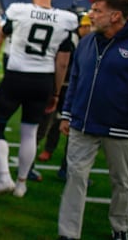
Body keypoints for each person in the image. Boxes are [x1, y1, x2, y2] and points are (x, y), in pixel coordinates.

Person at [57, 0, 128, 240]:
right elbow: (75, 78)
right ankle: (68, 233)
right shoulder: (86, 41)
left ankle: (120, 229)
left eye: (97, 11)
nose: (91, 16)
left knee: (122, 182)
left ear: (116, 16)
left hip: (121, 126)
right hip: (82, 123)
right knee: (75, 177)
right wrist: (67, 113)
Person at [0, 0, 78, 198]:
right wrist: (55, 91)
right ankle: (22, 183)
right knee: (30, 132)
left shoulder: (19, 10)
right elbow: (62, 61)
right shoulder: (65, 19)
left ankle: (4, 177)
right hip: (43, 79)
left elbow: (5, 31)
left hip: (16, 75)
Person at [37, 13, 92, 164]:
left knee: (70, 125)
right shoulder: (72, 40)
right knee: (50, 121)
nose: (89, 29)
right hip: (62, 86)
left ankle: (64, 162)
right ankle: (44, 152)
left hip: (73, 87)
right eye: (86, 26)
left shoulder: (88, 41)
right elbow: (63, 64)